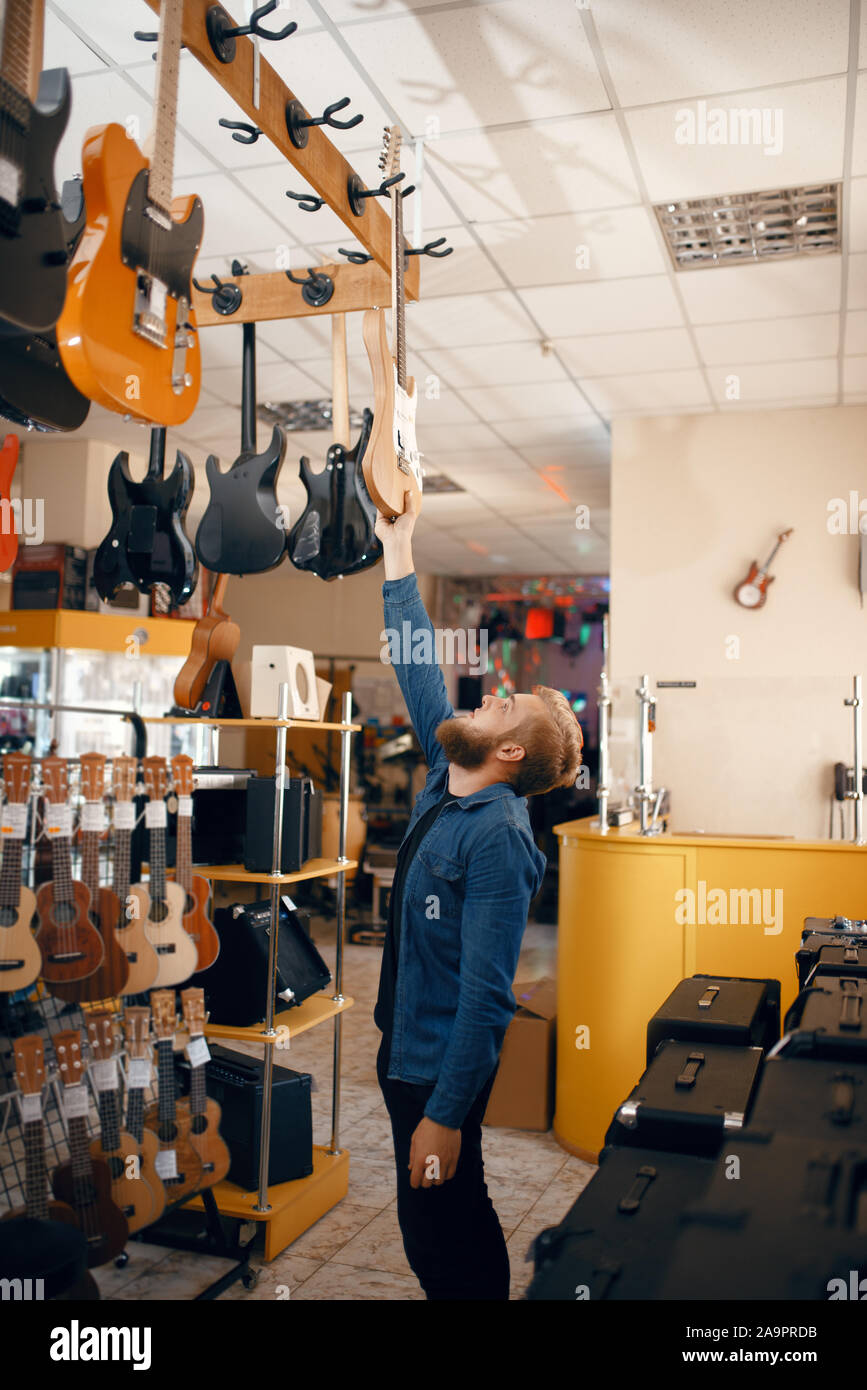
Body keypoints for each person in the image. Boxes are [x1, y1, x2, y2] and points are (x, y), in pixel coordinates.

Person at [373, 492, 584, 1300]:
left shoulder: (498, 834)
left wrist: (447, 1113)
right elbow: (414, 660)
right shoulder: (444, 775)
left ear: (506, 749)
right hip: (405, 1051)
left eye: (502, 704)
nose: (488, 693)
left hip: (437, 1068)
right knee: (436, 1215)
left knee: (442, 1228)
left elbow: (487, 997)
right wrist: (399, 547)